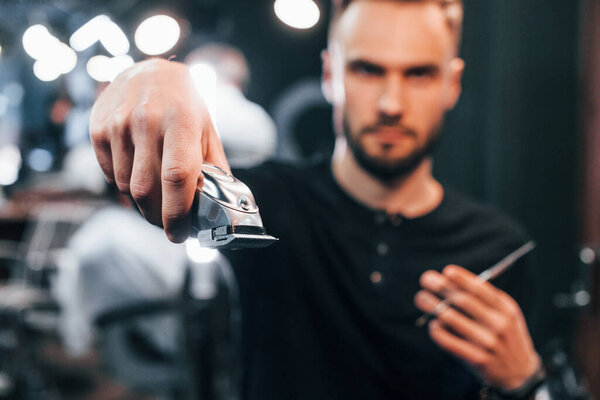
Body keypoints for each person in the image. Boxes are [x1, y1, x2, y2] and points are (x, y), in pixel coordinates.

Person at [89, 0, 547, 398]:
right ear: (330, 74)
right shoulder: (269, 204)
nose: (391, 102)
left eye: (419, 73)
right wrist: (151, 77)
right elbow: (170, 189)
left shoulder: (499, 247)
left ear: (452, 83)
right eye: (368, 69)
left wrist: (526, 382)